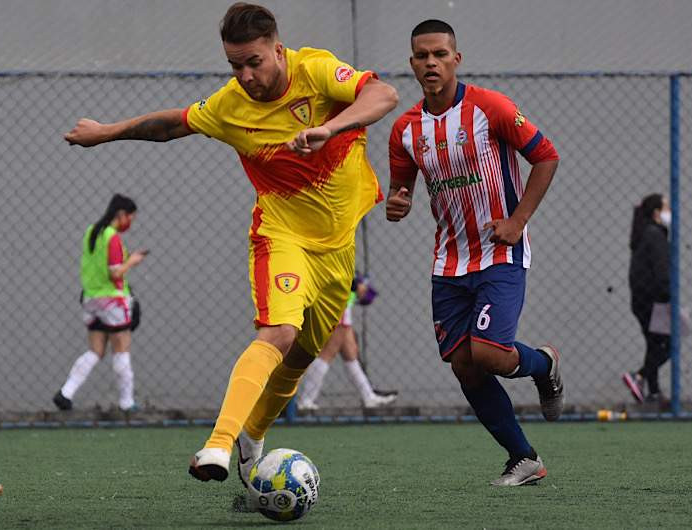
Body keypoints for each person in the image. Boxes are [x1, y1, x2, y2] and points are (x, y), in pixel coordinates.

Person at [65, 2, 398, 486]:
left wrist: (332, 126)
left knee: (303, 355)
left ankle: (252, 437)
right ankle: (219, 443)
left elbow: (383, 93)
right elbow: (171, 125)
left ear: (277, 51)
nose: (244, 75)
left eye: (253, 62)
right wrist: (105, 133)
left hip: (338, 247)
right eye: (234, 65)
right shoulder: (229, 106)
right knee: (278, 333)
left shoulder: (316, 70)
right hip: (281, 236)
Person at [386, 20, 563, 487]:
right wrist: (397, 202)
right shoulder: (405, 130)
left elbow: (546, 156)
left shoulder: (491, 107)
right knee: (464, 366)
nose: (431, 63)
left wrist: (518, 221)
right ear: (412, 64)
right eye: (422, 56)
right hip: (448, 263)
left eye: (440, 54)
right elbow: (400, 190)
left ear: (456, 59)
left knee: (488, 353)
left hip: (499, 255)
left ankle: (544, 364)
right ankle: (523, 459)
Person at [53, 194, 146, 412]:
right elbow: (115, 272)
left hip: (91, 299)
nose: (130, 223)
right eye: (130, 217)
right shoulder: (112, 236)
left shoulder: (91, 232)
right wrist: (132, 261)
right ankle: (126, 402)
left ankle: (66, 392)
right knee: (121, 347)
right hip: (112, 300)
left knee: (95, 350)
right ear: (121, 214)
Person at [297, 274, 397, 410]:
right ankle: (306, 400)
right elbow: (339, 274)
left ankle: (368, 396)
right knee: (327, 354)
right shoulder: (334, 259)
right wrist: (356, 285)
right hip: (337, 305)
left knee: (351, 355)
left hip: (342, 304)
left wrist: (356, 286)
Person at [621, 194, 671, 404]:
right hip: (654, 301)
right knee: (669, 345)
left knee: (654, 345)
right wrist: (667, 299)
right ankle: (639, 377)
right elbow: (661, 273)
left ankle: (654, 392)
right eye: (667, 207)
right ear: (657, 213)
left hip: (643, 300)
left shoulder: (645, 234)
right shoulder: (655, 235)